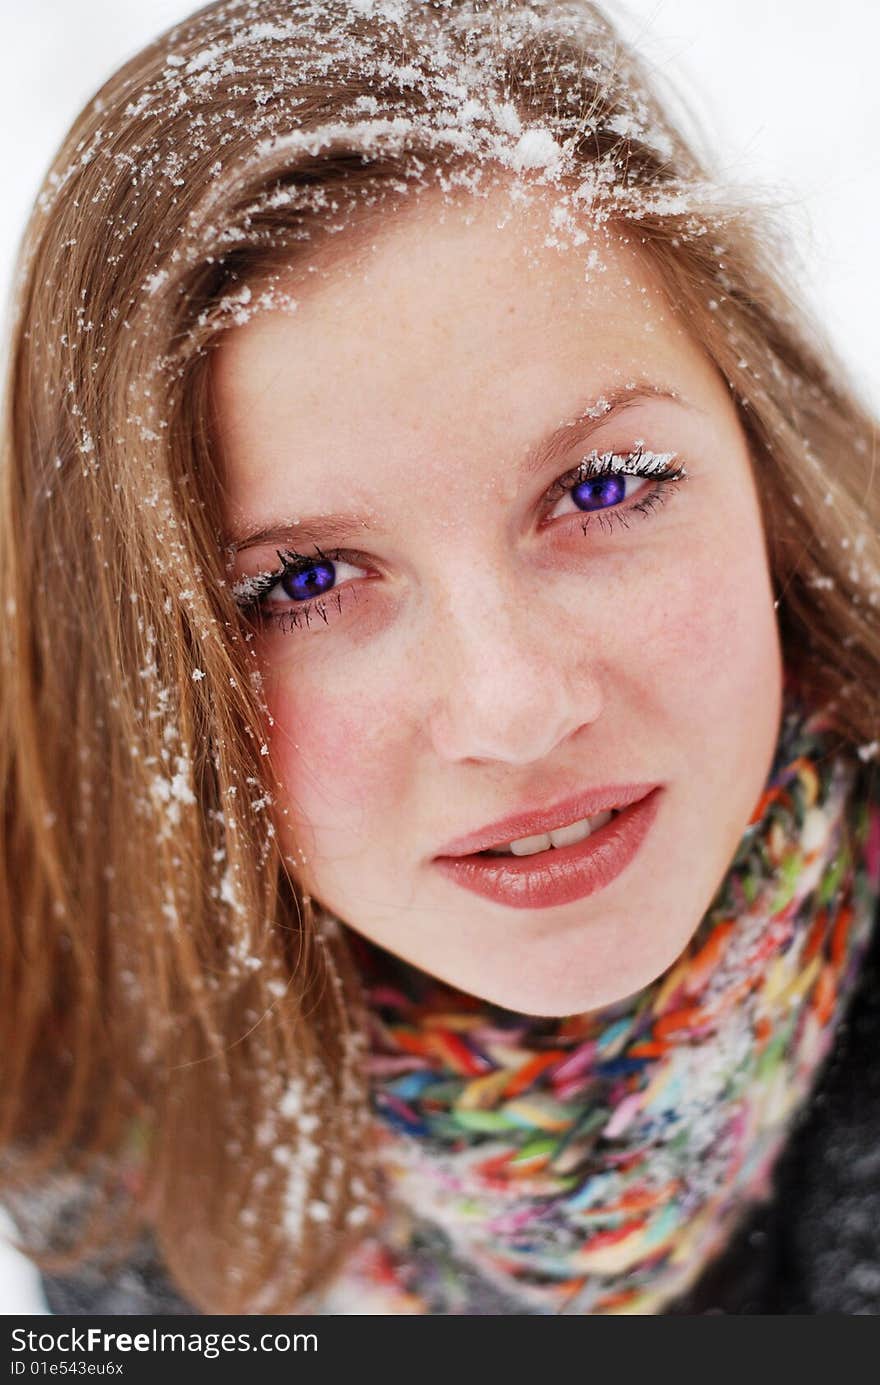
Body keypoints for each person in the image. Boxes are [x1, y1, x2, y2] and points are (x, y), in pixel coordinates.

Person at [1, 0, 879, 1317]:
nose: (515, 706)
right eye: (303, 581)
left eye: (602, 487)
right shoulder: (96, 1096)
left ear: (764, 452)